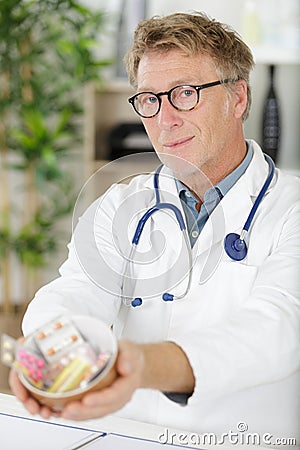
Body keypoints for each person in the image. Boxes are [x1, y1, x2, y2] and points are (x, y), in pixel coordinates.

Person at [10, 12, 300, 441]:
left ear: (238, 97)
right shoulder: (121, 204)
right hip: (127, 435)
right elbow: (73, 293)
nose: (164, 120)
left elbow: (276, 328)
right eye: (149, 99)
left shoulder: (292, 210)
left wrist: (137, 365)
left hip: (245, 438)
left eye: (185, 93)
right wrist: (52, 352)